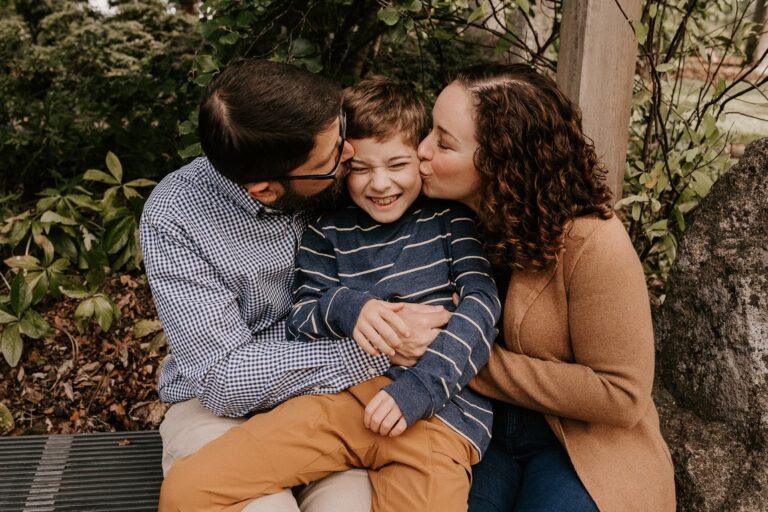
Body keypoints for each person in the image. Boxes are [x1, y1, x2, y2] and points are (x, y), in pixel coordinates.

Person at [158, 76, 500, 512]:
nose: (374, 180)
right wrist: (360, 318)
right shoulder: (184, 217)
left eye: (396, 164)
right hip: (326, 400)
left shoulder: (448, 219)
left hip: (436, 414)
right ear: (266, 189)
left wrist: (420, 386)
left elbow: (481, 306)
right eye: (349, 165)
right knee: (201, 491)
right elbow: (290, 326)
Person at [416, 63, 676, 511]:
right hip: (474, 430)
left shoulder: (592, 242)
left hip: (578, 443)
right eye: (429, 132)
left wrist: (461, 355)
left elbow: (621, 394)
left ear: (500, 162)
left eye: (443, 142)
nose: (421, 150)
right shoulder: (436, 220)